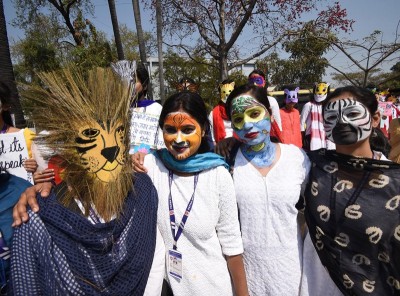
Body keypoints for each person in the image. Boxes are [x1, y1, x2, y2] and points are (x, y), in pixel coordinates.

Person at [10, 67, 164, 295]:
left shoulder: (141, 191)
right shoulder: (40, 219)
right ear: (69, 145)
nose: (110, 148)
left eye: (119, 132)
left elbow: (155, 257)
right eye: (92, 135)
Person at [140, 91, 248, 295]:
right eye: (170, 130)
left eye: (188, 129)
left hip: (211, 288)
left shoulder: (217, 176)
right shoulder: (151, 166)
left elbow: (232, 246)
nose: (179, 139)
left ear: (204, 128)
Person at [300, 86, 400, 296]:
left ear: (375, 119)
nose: (341, 123)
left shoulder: (395, 181)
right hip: (317, 288)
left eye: (352, 114)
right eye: (332, 117)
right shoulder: (310, 165)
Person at [224, 84, 310, 295]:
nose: (248, 125)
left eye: (254, 114)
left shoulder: (297, 158)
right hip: (248, 274)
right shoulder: (227, 162)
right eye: (238, 119)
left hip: (291, 271)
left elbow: (313, 213)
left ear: (270, 114)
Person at [0, 81, 37, 293]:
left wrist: (35, 170)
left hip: (18, 214)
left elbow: (42, 178)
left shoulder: (24, 137)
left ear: (5, 105)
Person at [300, 82, 335, 151]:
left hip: (327, 137)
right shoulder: (309, 105)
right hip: (311, 136)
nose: (320, 94)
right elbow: (301, 123)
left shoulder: (329, 106)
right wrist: (302, 138)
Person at [208, 79, 235, 144]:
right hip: (220, 148)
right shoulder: (213, 113)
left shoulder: (240, 111)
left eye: (230, 92)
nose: (227, 95)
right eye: (224, 92)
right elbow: (212, 137)